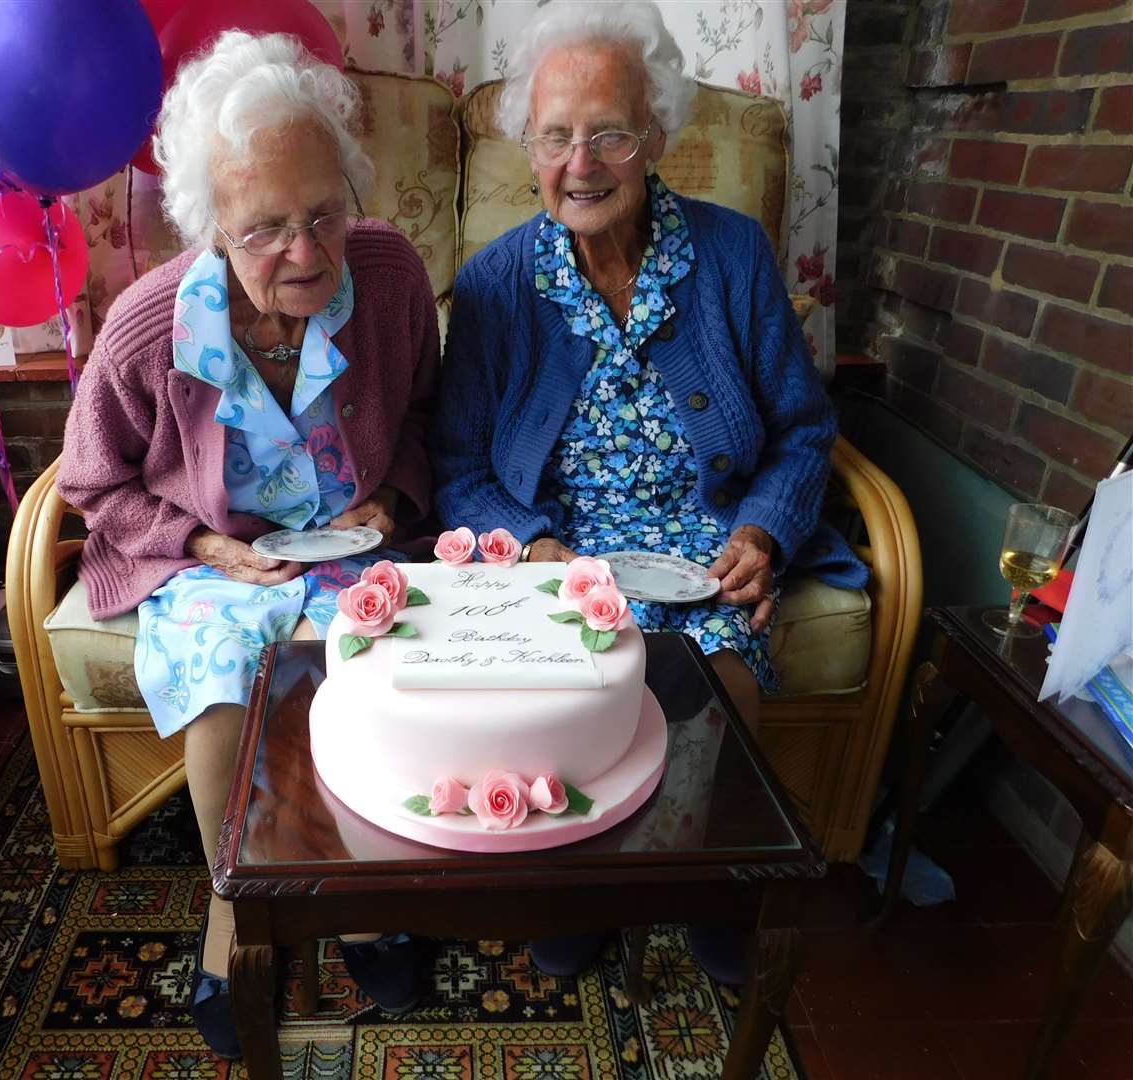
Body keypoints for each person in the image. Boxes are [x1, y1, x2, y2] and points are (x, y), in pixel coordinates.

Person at [429, 2, 867, 981]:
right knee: (554, 691)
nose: (578, 161)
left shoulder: (734, 255)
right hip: (555, 549)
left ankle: (704, 883)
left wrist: (765, 529)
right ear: (528, 149)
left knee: (716, 674)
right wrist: (534, 547)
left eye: (608, 132)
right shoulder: (497, 283)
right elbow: (456, 466)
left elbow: (803, 429)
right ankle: (576, 895)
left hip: (698, 545)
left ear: (657, 136)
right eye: (554, 135)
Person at [58, 31, 439, 1058]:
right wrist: (201, 544)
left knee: (368, 665)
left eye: (324, 214)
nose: (306, 252)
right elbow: (95, 485)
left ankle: (357, 895)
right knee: (230, 684)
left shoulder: (393, 281)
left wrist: (392, 501)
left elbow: (424, 420)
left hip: (355, 552)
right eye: (266, 227)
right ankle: (232, 907)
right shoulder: (147, 329)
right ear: (212, 224)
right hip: (216, 560)